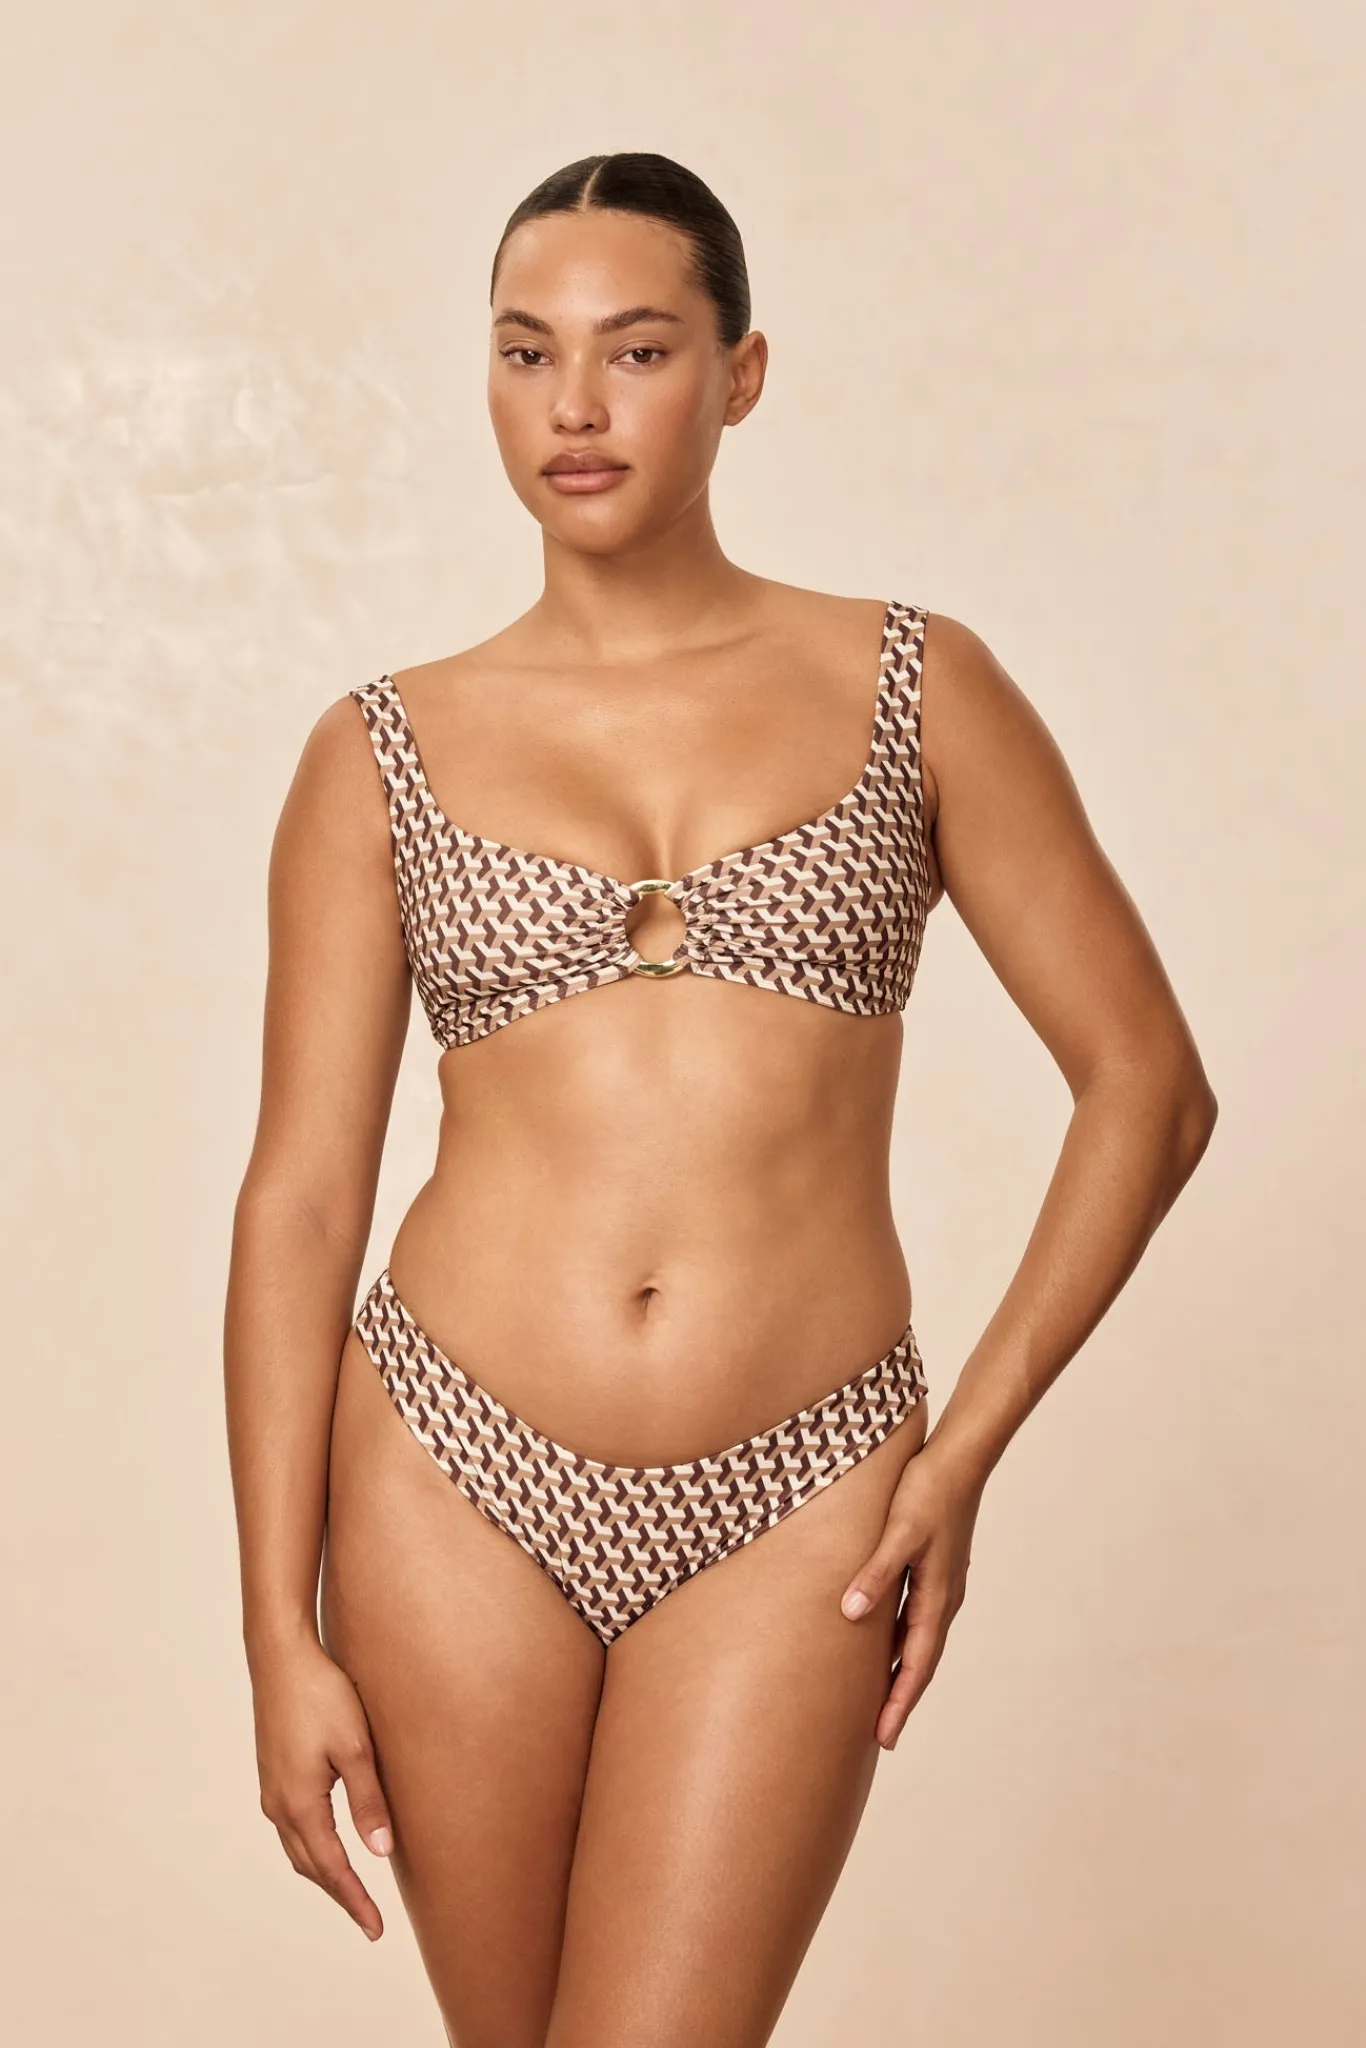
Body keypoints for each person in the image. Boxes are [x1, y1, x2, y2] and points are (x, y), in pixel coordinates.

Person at [223, 151, 1218, 2047]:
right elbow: (301, 1201)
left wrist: (957, 1455)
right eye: (525, 352)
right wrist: (276, 1625)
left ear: (740, 374)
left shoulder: (915, 685)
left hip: (801, 1485)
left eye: (636, 349)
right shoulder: (378, 750)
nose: (573, 407)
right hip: (449, 1468)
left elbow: (1145, 1089)